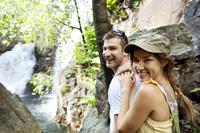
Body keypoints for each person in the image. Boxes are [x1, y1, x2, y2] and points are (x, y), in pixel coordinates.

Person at [117, 33, 200, 133]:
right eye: (136, 60)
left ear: (164, 61)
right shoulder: (168, 85)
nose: (139, 67)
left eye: (147, 60)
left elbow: (122, 130)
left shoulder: (148, 91)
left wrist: (125, 90)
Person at [102, 29, 141, 133]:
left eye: (112, 48)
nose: (106, 53)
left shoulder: (118, 82)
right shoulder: (140, 73)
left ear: (125, 51)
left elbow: (118, 128)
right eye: (104, 48)